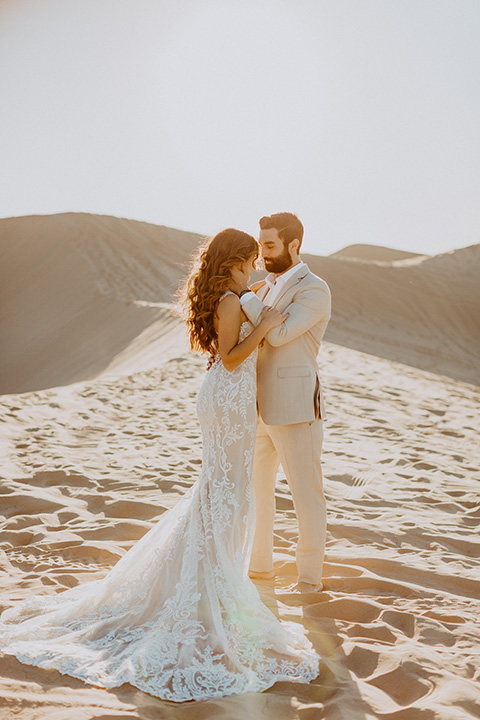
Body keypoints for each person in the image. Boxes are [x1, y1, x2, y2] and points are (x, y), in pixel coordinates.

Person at [0, 228, 320, 702]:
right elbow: (232, 359)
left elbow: (226, 350)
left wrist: (254, 309)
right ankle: (209, 586)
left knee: (221, 490)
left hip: (223, 400)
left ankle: (211, 578)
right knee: (225, 491)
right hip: (228, 398)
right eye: (248, 260)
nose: (253, 268)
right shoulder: (231, 301)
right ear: (232, 261)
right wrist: (267, 324)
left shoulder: (231, 295)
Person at [235, 213, 331, 592]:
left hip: (295, 409)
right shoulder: (266, 288)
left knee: (305, 494)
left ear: (294, 245)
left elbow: (280, 334)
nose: (263, 253)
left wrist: (244, 296)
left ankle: (309, 578)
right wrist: (255, 298)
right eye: (261, 244)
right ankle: (259, 567)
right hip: (257, 409)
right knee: (258, 492)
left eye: (270, 245)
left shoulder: (314, 290)